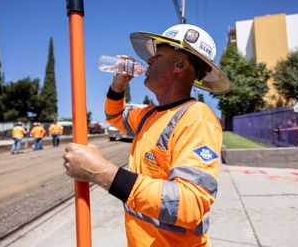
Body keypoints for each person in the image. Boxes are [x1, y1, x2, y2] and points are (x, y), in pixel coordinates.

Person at [63, 24, 231, 246]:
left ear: (180, 65)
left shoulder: (197, 118)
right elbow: (114, 116)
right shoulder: (149, 115)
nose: (148, 61)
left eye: (158, 55)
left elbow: (190, 204)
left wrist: (100, 171)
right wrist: (118, 86)